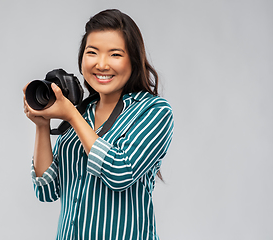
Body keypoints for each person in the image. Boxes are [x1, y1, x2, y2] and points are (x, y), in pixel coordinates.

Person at [23, 9, 174, 240]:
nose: (101, 64)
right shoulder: (82, 110)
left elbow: (119, 172)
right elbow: (46, 190)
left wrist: (72, 117)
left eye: (115, 55)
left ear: (133, 61)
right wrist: (42, 125)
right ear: (82, 59)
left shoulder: (153, 111)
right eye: (92, 52)